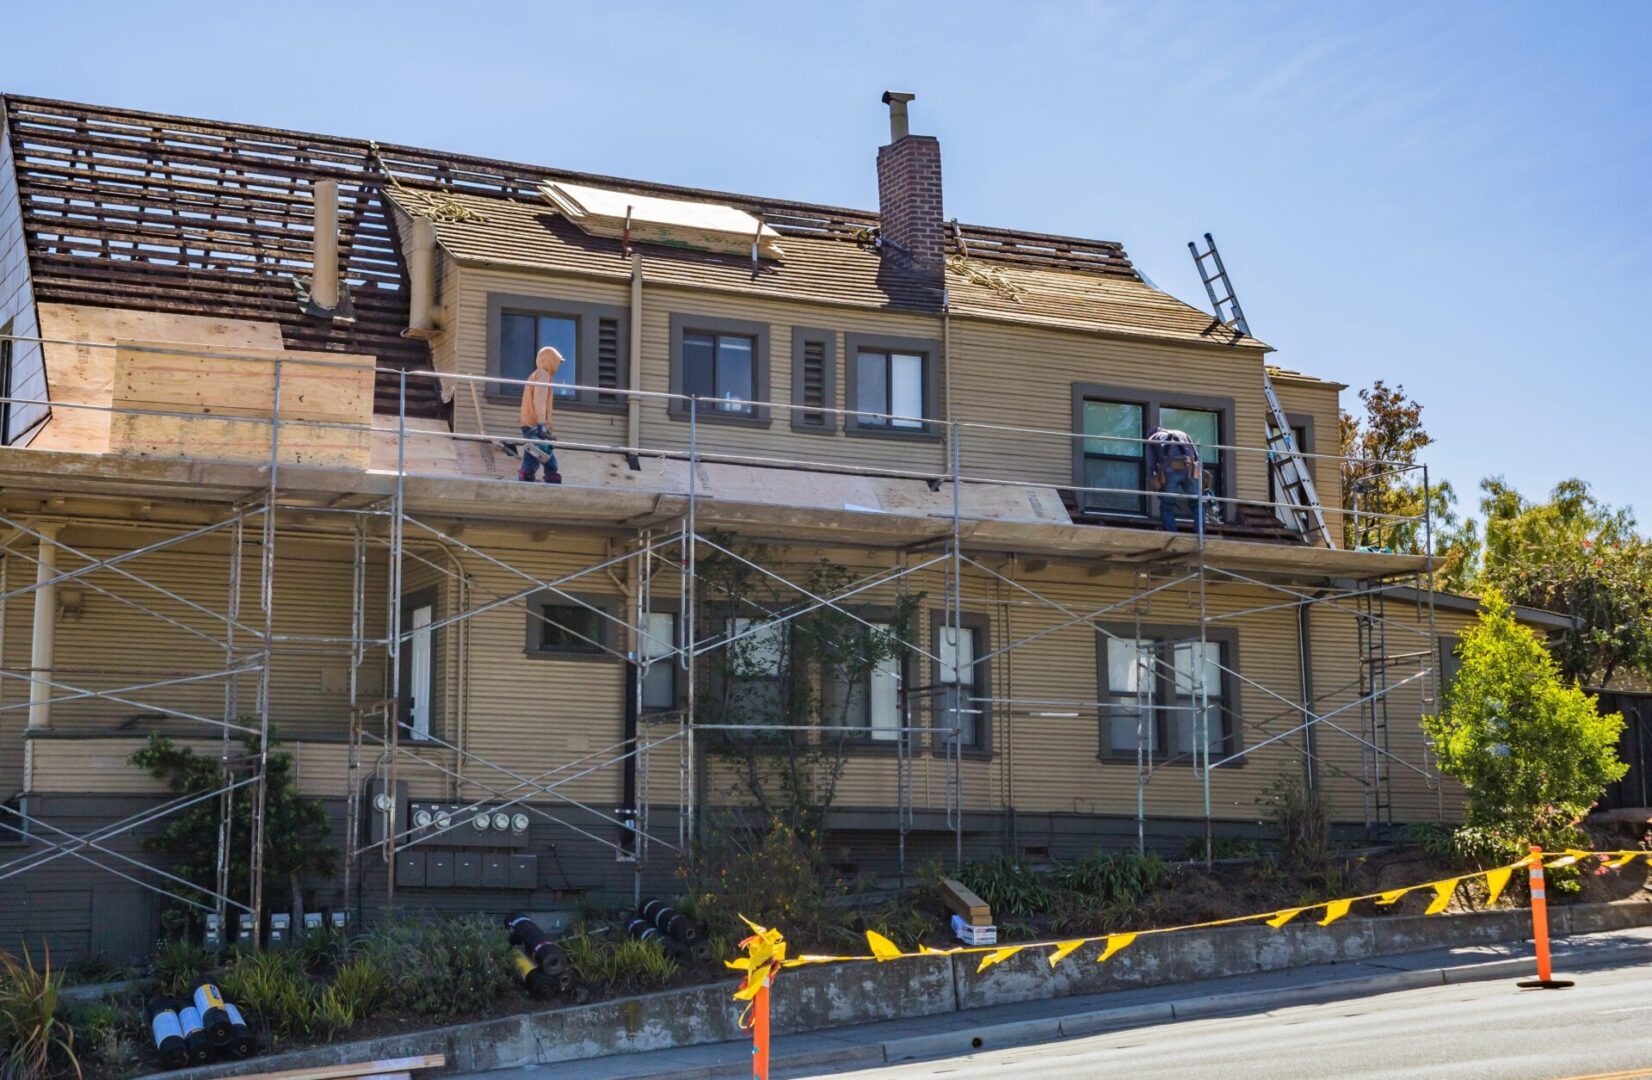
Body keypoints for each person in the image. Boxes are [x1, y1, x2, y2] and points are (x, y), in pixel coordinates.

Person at [518, 346, 563, 484]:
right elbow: (539, 399)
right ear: (551, 361)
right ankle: (551, 476)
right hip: (536, 425)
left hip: (529, 424)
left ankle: (526, 475)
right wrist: (542, 424)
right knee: (547, 457)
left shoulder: (535, 375)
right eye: (557, 362)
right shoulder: (543, 375)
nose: (558, 366)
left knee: (533, 454)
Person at [1145, 426, 1201, 533]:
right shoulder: (1183, 433)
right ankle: (1200, 532)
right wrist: (1198, 474)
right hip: (1189, 467)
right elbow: (1197, 457)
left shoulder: (1152, 438)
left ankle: (1172, 533)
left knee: (1166, 505)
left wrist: (1153, 479)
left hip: (1170, 469)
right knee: (1197, 502)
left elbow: (1151, 463)